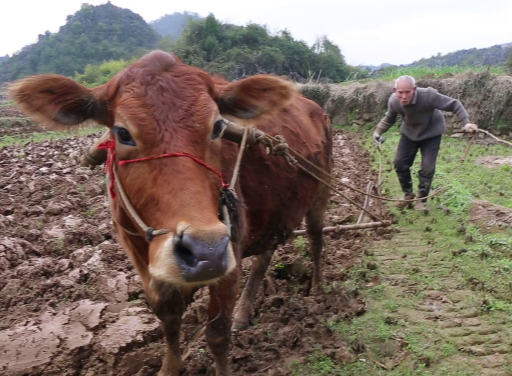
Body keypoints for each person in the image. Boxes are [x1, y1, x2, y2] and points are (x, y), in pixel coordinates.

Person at [373, 75, 478, 211]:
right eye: (400, 92)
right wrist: (377, 132)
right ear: (395, 90)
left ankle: (421, 200)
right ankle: (408, 194)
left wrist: (467, 122)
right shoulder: (394, 101)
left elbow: (454, 104)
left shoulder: (428, 96)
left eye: (407, 92)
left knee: (428, 167)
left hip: (431, 134)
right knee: (400, 163)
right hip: (409, 133)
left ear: (414, 90)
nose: (404, 96)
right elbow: (389, 119)